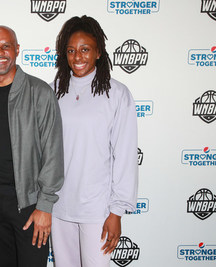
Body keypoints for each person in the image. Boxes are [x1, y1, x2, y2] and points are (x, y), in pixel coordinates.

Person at [0, 25, 64, 267]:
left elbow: (53, 152)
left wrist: (44, 205)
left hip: (29, 205)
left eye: (5, 46)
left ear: (17, 49)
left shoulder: (40, 92)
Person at [50, 16, 138, 267]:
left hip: (97, 210)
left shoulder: (116, 93)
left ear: (98, 51)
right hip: (59, 207)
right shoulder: (54, 91)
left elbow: (125, 155)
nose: (78, 56)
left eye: (85, 49)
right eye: (71, 50)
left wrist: (116, 212)